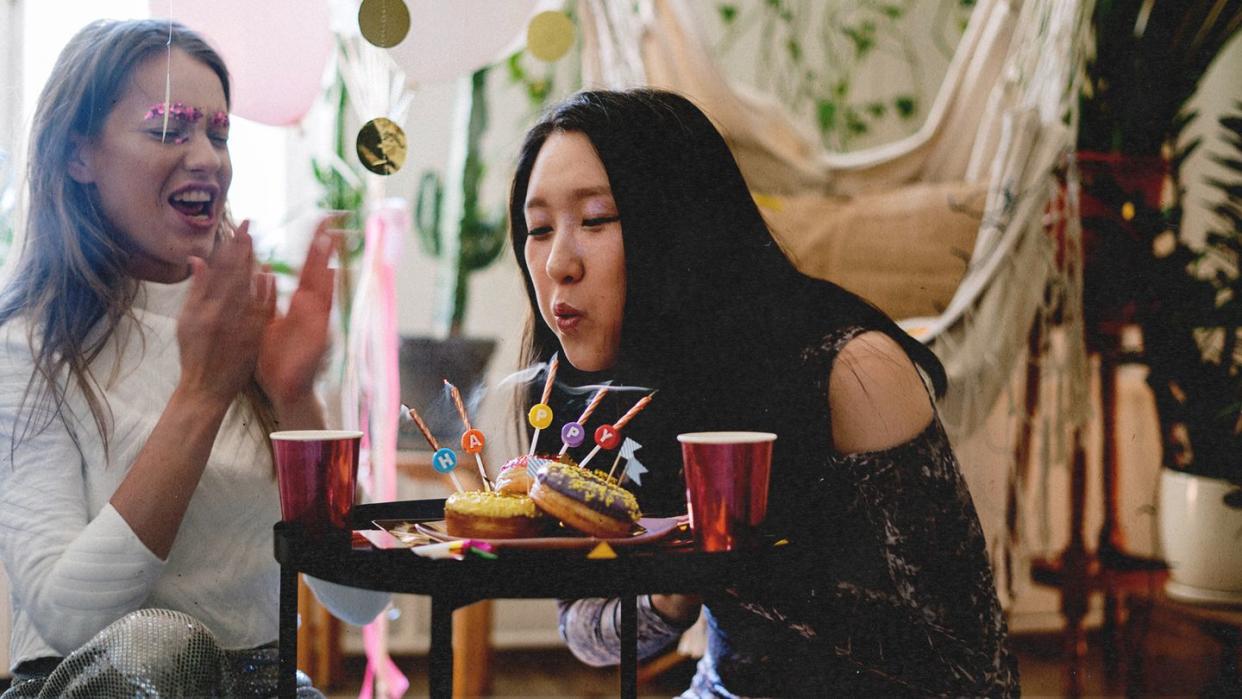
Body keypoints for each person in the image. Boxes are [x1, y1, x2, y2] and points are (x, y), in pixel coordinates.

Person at [508, 89, 1019, 696]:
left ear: (682, 228)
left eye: (596, 219)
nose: (557, 263)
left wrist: (747, 565)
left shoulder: (850, 371)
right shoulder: (590, 397)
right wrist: (669, 596)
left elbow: (972, 664)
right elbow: (582, 630)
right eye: (538, 229)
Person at [0, 20, 385, 698]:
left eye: (218, 132)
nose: (207, 157)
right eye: (169, 128)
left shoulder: (249, 321)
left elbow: (362, 600)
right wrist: (202, 396)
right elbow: (68, 617)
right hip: (87, 683)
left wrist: (296, 399)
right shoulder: (26, 343)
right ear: (77, 155)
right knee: (168, 646)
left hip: (260, 681)